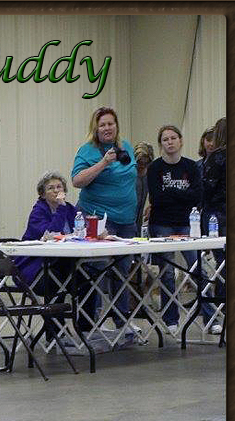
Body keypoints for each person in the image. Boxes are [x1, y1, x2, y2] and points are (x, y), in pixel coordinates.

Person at [71, 106, 140, 334]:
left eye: (111, 123)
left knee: (122, 270)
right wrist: (103, 164)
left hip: (126, 219)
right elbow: (77, 181)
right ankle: (92, 321)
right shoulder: (87, 151)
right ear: (96, 128)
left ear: (116, 126)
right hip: (98, 220)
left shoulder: (126, 146)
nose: (107, 128)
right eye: (102, 125)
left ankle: (122, 320)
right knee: (97, 269)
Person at [146, 125, 202, 336]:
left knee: (196, 267)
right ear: (161, 143)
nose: (169, 142)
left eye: (173, 138)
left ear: (181, 141)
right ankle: (171, 319)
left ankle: (207, 313)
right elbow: (157, 199)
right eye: (165, 139)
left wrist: (170, 191)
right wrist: (181, 193)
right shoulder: (154, 168)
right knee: (167, 272)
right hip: (161, 223)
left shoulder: (191, 166)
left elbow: (197, 196)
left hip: (187, 222)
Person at [14, 172, 77, 299]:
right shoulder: (38, 212)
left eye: (59, 187)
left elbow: (82, 231)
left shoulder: (70, 209)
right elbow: (51, 234)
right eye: (51, 188)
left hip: (64, 261)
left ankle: (85, 319)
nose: (56, 191)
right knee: (55, 279)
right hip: (37, 266)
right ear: (42, 194)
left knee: (88, 277)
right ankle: (53, 319)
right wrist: (61, 208)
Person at [201, 117, 226, 335]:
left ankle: (223, 308)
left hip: (216, 217)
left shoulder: (216, 158)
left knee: (220, 265)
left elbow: (206, 189)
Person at [133, 142, 155, 230]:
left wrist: (151, 205)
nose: (142, 165)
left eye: (145, 163)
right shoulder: (129, 174)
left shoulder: (150, 174)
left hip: (139, 220)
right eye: (139, 162)